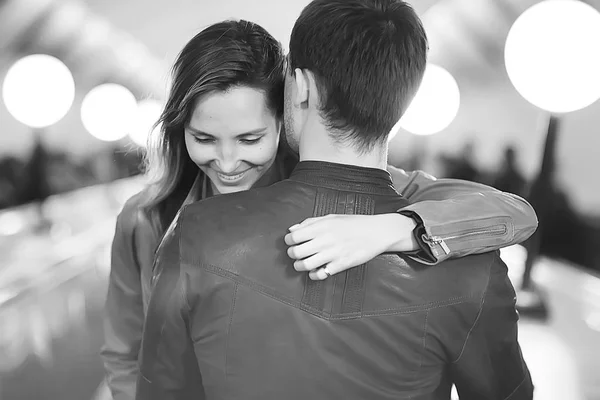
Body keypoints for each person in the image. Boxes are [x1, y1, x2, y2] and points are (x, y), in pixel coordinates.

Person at [102, 22, 539, 400]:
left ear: (287, 116)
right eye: (204, 138)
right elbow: (126, 352)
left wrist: (397, 228)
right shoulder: (145, 219)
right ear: (180, 131)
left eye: (251, 139)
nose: (228, 162)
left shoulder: (371, 198)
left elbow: (513, 214)